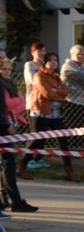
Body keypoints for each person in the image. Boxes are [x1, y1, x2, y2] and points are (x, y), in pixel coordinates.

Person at [32, 52, 78, 182]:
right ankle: (23, 166)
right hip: (43, 113)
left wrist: (56, 92)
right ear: (45, 62)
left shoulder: (56, 77)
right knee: (37, 142)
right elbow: (47, 94)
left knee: (64, 141)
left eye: (55, 60)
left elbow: (65, 92)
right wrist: (58, 94)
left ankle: (69, 171)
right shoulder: (39, 76)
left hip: (56, 115)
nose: (54, 62)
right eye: (51, 60)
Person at [0, 60, 37, 211]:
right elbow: (6, 106)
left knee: (7, 163)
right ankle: (15, 201)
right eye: (4, 68)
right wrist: (6, 123)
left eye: (9, 69)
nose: (7, 71)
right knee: (8, 163)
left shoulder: (9, 85)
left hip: (6, 124)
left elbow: (21, 103)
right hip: (3, 126)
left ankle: (8, 199)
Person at [19, 42, 48, 174]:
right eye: (39, 51)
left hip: (45, 103)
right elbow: (32, 80)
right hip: (33, 103)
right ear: (33, 52)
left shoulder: (44, 66)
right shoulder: (29, 65)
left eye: (43, 51)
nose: (41, 53)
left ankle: (38, 158)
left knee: (43, 133)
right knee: (35, 133)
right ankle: (27, 159)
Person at [61, 44, 84, 134]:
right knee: (70, 126)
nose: (80, 56)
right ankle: (70, 146)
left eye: (82, 54)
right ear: (72, 55)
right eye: (78, 54)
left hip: (83, 100)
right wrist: (83, 76)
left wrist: (77, 75)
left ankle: (81, 146)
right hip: (70, 100)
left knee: (83, 127)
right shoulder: (67, 65)